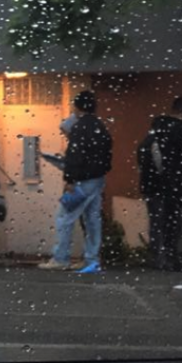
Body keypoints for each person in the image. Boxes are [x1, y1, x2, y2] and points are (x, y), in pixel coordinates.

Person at [38, 91, 112, 273]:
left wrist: (69, 179)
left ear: (77, 107)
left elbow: (75, 156)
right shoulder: (101, 127)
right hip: (97, 180)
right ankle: (91, 260)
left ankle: (61, 258)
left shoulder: (80, 128)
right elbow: (106, 156)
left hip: (81, 182)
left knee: (64, 217)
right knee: (93, 220)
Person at [137, 97, 182, 271]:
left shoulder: (154, 131)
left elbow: (143, 155)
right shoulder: (178, 132)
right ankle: (170, 257)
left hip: (152, 185)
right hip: (169, 186)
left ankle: (159, 257)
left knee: (157, 222)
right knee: (172, 222)